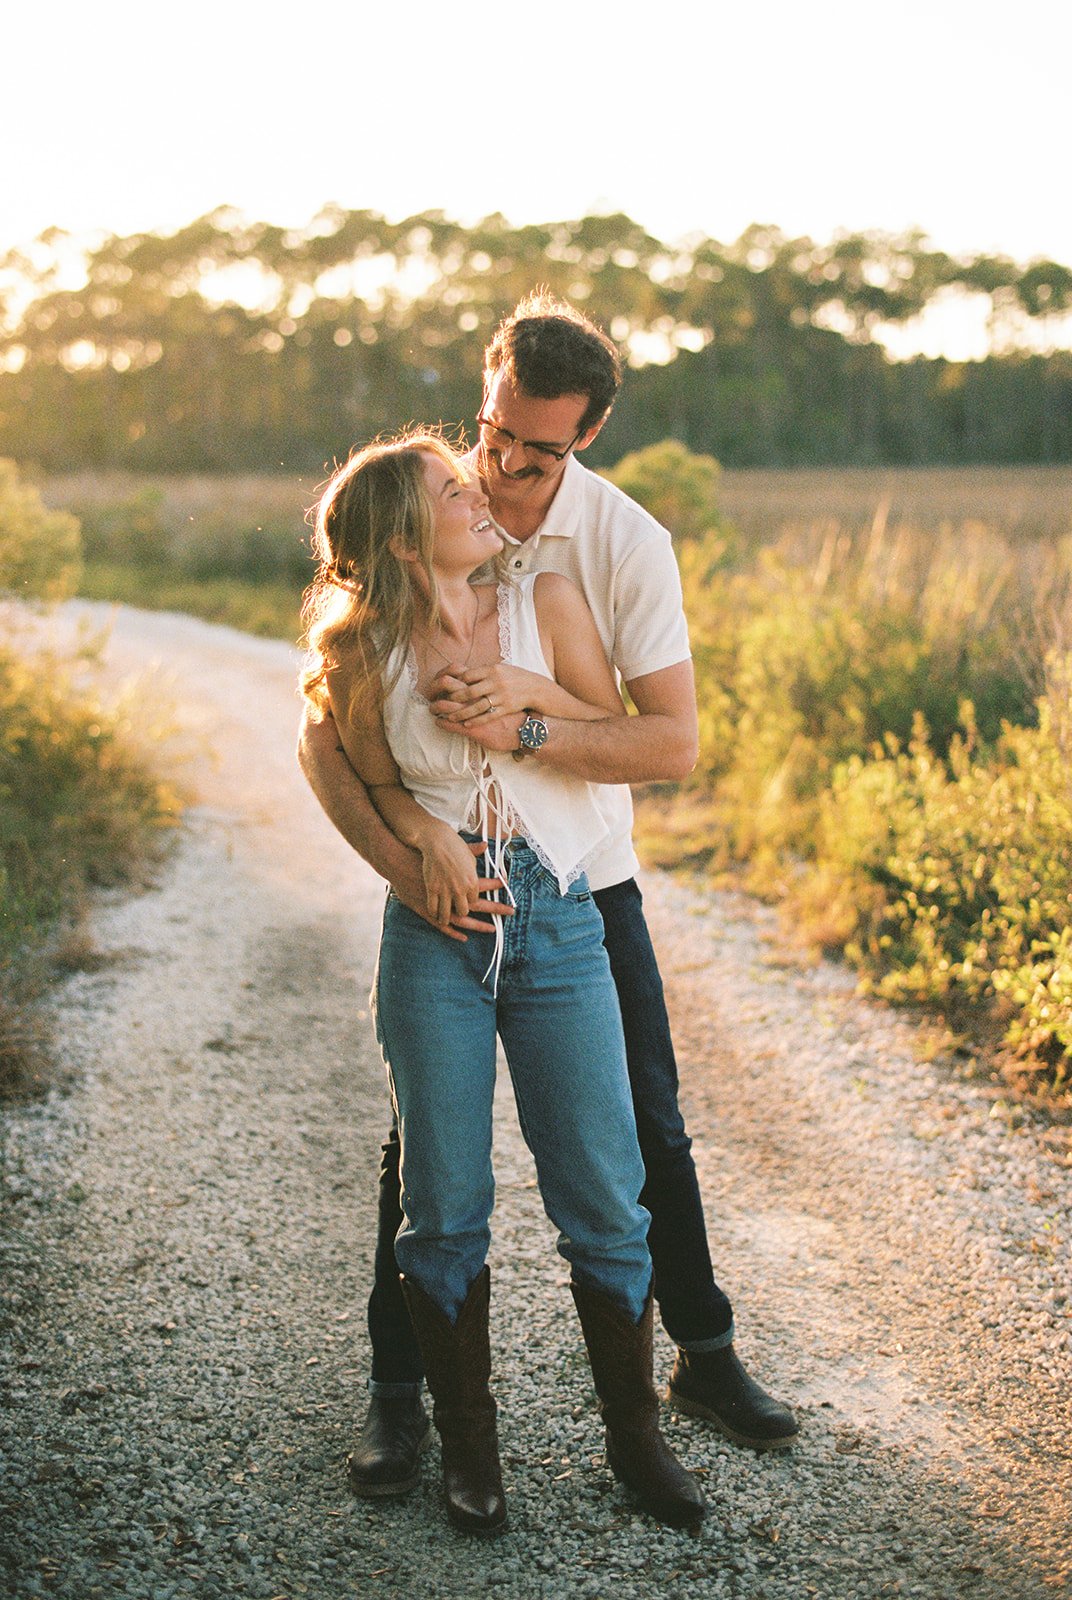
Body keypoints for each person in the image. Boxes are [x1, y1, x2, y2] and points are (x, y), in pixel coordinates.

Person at [297, 294, 798, 1499]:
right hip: (442, 899)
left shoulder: (614, 548)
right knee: (427, 1160)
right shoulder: (416, 507)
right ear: (485, 397)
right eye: (495, 433)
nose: (508, 465)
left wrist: (525, 714)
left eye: (543, 450)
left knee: (639, 1131)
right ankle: (403, 1397)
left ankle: (699, 1358)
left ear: (590, 438)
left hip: (581, 880)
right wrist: (412, 839)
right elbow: (328, 733)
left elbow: (667, 743)